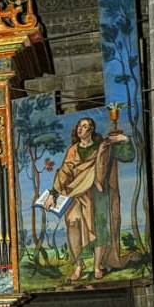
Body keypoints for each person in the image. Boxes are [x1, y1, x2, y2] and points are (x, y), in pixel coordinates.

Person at [42, 117, 135, 282]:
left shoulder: (102, 147)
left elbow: (128, 156)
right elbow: (64, 172)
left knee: (99, 229)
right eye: (79, 125)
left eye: (84, 126)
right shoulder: (73, 150)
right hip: (76, 193)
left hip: (97, 193)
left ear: (91, 130)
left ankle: (97, 266)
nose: (80, 129)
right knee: (72, 223)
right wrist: (53, 194)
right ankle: (79, 265)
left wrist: (125, 139)